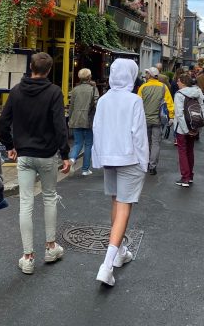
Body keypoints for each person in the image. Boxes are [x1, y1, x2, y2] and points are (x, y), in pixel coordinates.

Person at [0, 52, 70, 275]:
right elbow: (59, 125)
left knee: (26, 203)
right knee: (49, 198)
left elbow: (3, 123)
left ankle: (27, 256)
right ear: (49, 70)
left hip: (25, 155)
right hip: (47, 154)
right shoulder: (53, 92)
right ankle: (50, 247)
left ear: (31, 67)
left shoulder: (17, 91)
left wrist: (10, 145)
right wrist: (65, 153)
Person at [91, 58, 148, 287]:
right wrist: (144, 163)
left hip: (109, 157)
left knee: (116, 203)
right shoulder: (134, 100)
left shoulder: (104, 100)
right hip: (129, 157)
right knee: (124, 207)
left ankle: (120, 250)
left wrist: (98, 157)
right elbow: (139, 135)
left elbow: (97, 128)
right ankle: (107, 264)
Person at [137, 67, 174, 175]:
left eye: (147, 73)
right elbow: (169, 103)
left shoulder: (143, 87)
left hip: (144, 120)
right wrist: (171, 117)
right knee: (156, 143)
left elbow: (138, 104)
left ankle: (146, 163)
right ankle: (153, 166)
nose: (145, 75)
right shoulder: (163, 87)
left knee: (146, 143)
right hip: (158, 120)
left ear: (150, 75)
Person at [173, 73, 204, 187]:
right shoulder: (197, 92)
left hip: (182, 129)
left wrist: (185, 129)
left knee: (182, 152)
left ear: (183, 82)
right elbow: (202, 109)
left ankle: (185, 177)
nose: (177, 83)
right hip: (194, 125)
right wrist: (197, 127)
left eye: (178, 81)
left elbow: (179, 114)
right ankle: (190, 176)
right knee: (190, 151)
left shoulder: (179, 94)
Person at [67, 68, 99, 176]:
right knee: (88, 144)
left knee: (77, 142)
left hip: (76, 119)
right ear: (89, 77)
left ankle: (72, 159)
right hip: (89, 119)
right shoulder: (93, 89)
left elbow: (71, 106)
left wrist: (70, 118)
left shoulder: (75, 89)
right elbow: (97, 104)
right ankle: (85, 169)